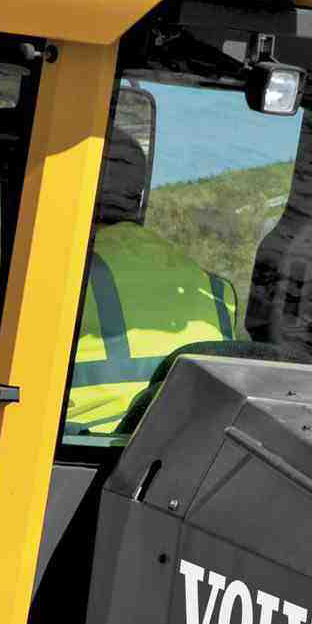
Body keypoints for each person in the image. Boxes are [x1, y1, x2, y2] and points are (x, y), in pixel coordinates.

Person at [66, 85, 242, 435]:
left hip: (70, 455)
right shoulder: (216, 289)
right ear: (138, 194)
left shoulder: (56, 270)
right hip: (178, 459)